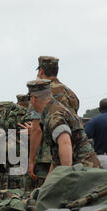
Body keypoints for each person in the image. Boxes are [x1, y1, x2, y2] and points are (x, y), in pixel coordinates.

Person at [27, 79, 100, 177]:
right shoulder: (53, 110)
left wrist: (64, 177)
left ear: (34, 99)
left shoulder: (54, 116)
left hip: (83, 170)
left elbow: (65, 143)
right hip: (81, 168)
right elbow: (57, 152)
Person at [28, 56, 80, 189]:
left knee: (46, 193)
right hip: (73, 153)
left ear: (41, 72)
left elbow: (37, 129)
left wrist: (31, 160)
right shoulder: (71, 93)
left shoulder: (40, 93)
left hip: (48, 156)